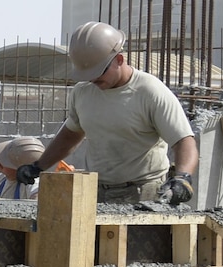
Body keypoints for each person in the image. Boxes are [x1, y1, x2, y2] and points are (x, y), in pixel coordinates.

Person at [15, 22, 197, 206]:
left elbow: (183, 141)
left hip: (144, 194)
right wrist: (38, 166)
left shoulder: (149, 91)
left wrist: (183, 178)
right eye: (88, 74)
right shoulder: (83, 92)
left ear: (119, 59)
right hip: (97, 193)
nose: (93, 79)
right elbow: (70, 135)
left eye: (99, 72)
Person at [0, 135, 56, 200]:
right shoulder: (0, 180)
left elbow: (39, 197)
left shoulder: (30, 183)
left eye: (4, 161)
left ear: (21, 170)